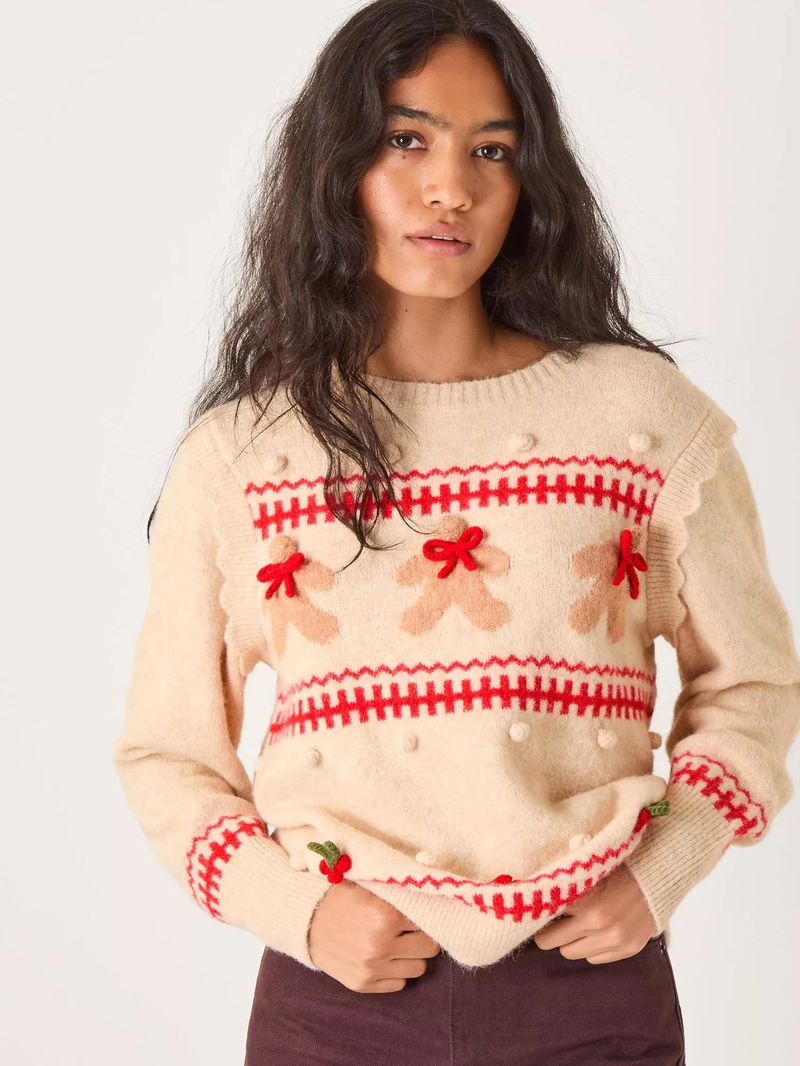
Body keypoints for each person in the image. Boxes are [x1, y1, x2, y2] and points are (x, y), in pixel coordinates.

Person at [111, 2, 800, 1063]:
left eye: (492, 151)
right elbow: (168, 750)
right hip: (334, 998)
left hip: (588, 992)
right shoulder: (242, 456)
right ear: (334, 166)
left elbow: (753, 685)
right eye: (406, 139)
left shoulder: (643, 422)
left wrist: (660, 872)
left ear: (530, 182)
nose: (450, 188)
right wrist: (296, 911)